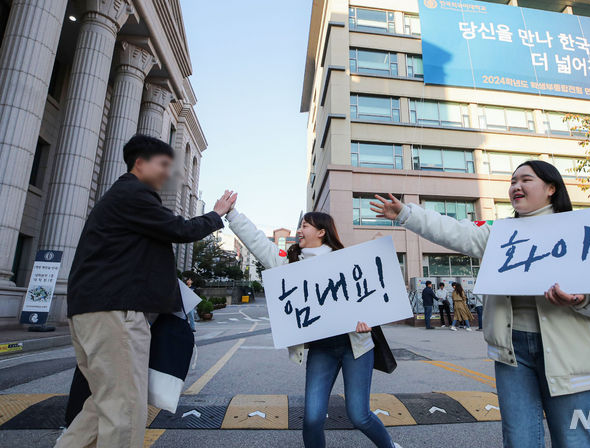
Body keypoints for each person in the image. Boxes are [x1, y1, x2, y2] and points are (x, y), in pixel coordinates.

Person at [371, 160, 590, 448]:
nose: (516, 186)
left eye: (525, 180)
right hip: (513, 352)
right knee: (519, 440)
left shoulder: (584, 231)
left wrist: (582, 299)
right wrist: (406, 214)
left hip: (571, 352)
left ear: (552, 188)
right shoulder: (499, 234)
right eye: (513, 181)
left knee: (571, 438)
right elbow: (455, 230)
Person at [55, 135, 236, 448]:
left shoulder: (120, 198)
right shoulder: (134, 194)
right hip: (116, 313)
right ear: (140, 163)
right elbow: (181, 229)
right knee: (124, 409)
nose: (168, 172)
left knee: (100, 406)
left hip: (92, 311)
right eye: (163, 164)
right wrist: (217, 214)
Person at [226, 209, 399, 448]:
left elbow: (372, 297)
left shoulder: (347, 259)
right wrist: (233, 215)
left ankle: (389, 446)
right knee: (312, 418)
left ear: (321, 231)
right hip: (322, 350)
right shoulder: (291, 262)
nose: (299, 230)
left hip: (356, 346)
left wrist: (367, 321)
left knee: (359, 415)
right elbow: (259, 244)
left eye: (305, 226)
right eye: (300, 226)